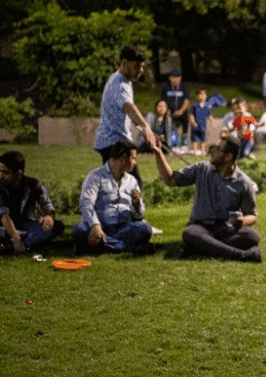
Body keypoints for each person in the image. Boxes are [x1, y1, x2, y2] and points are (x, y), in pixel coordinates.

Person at [151, 138, 262, 263]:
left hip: (225, 228)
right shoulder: (202, 168)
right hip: (200, 226)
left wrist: (242, 221)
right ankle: (241, 255)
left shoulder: (243, 182)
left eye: (218, 149)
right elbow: (170, 180)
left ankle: (201, 247)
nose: (212, 150)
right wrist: (158, 153)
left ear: (228, 157)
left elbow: (252, 215)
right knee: (190, 233)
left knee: (252, 236)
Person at [72, 140, 155, 255]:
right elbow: (86, 204)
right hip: (102, 227)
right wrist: (95, 226)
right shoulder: (95, 176)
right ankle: (129, 247)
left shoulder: (131, 181)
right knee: (79, 229)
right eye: (133, 158)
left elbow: (139, 216)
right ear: (123, 158)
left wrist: (136, 204)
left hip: (124, 229)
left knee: (145, 228)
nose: (135, 163)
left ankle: (100, 246)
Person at [93, 46, 157, 188]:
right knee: (131, 185)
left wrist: (143, 129)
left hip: (113, 142)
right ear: (124, 63)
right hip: (113, 143)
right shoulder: (120, 84)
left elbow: (128, 113)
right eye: (137, 66)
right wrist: (146, 126)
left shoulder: (120, 80)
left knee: (122, 186)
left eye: (142, 67)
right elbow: (129, 107)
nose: (140, 71)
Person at [0, 150, 65, 255]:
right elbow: (4, 216)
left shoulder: (34, 184)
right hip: (6, 228)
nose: (1, 176)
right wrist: (15, 236)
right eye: (0, 171)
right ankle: (32, 244)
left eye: (5, 173)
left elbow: (47, 204)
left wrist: (48, 216)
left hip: (29, 225)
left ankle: (13, 248)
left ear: (18, 173)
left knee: (57, 226)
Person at [160, 69, 190, 142]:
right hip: (169, 111)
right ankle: (170, 142)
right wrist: (167, 110)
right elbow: (162, 101)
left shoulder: (184, 87)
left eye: (178, 77)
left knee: (186, 119)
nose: (176, 79)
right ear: (170, 78)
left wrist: (181, 111)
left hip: (181, 111)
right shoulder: (165, 88)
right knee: (165, 121)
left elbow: (187, 101)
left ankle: (184, 142)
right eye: (174, 77)